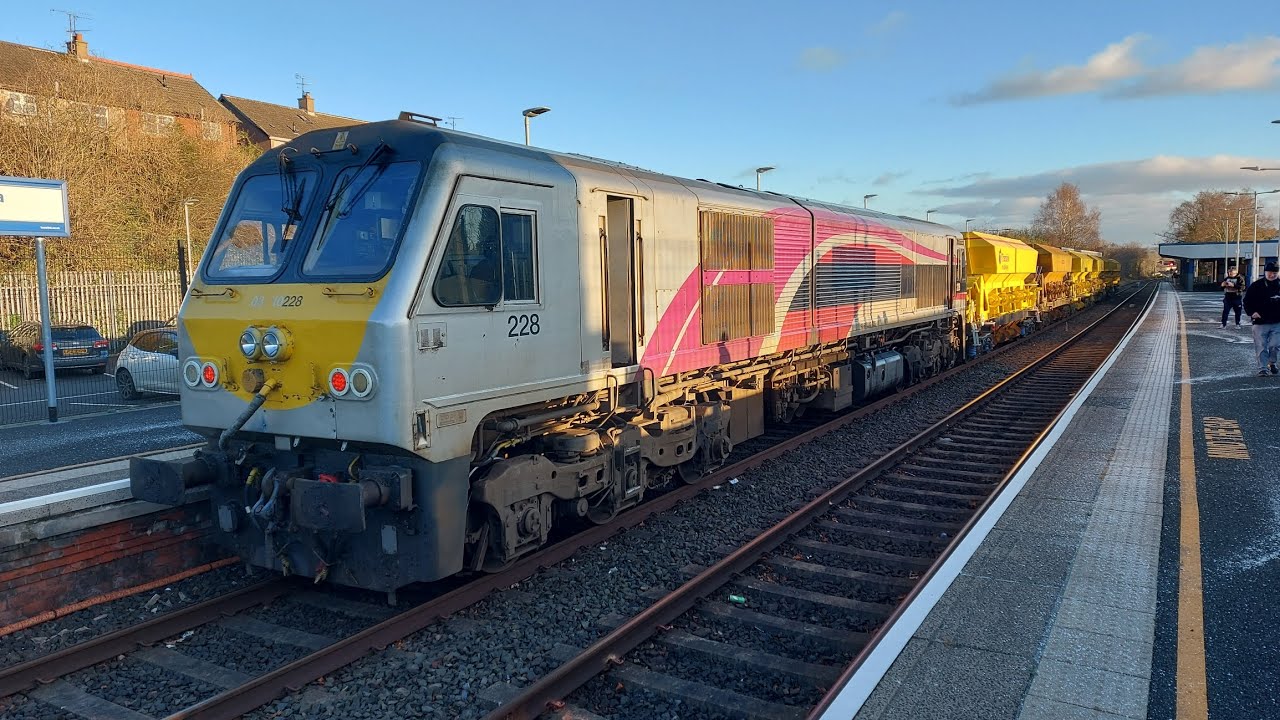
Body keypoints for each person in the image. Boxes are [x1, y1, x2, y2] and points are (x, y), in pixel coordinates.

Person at [1243, 261, 1280, 376]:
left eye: (1275, 272)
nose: (1272, 275)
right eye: (1269, 272)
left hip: (1277, 321)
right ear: (1265, 272)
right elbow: (1247, 301)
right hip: (1260, 321)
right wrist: (1252, 312)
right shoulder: (1256, 285)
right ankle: (1262, 368)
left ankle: (1272, 362)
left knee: (1275, 345)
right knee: (1261, 345)